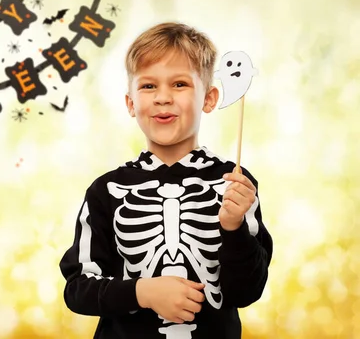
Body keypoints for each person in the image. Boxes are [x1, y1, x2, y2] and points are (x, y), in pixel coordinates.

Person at [58, 22, 273, 339]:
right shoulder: (106, 191)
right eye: (148, 87)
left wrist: (233, 227)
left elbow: (247, 292)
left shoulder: (235, 185)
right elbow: (78, 289)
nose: (162, 98)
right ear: (131, 104)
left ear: (209, 99)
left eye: (179, 84)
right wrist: (141, 292)